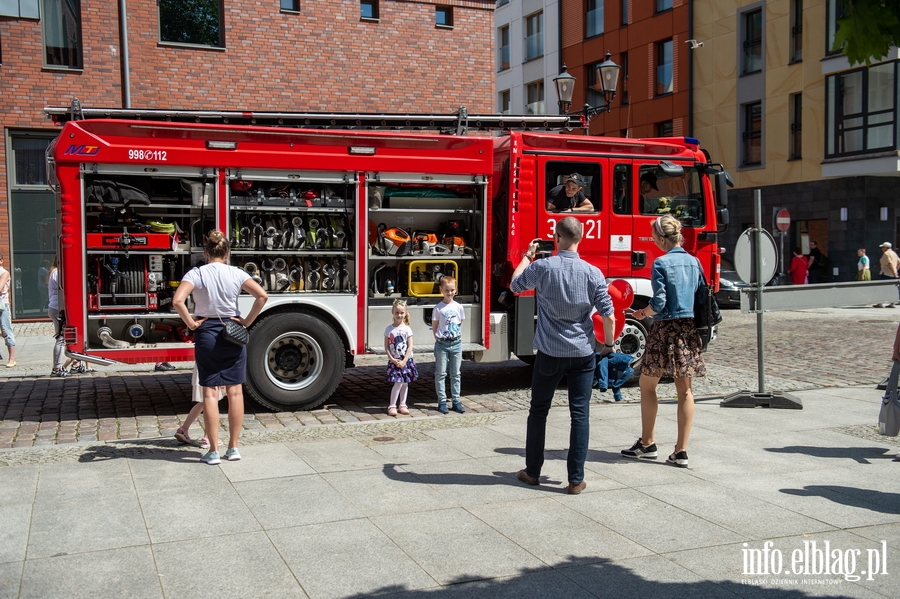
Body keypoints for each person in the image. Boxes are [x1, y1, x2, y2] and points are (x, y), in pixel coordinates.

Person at [510, 217, 615, 494]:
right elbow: (609, 315)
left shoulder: (543, 267)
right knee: (579, 414)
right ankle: (575, 479)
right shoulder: (593, 273)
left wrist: (526, 257)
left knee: (538, 411)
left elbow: (515, 286)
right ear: (581, 238)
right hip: (582, 353)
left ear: (556, 237)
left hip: (550, 352)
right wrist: (609, 345)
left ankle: (533, 472)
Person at [172, 230, 268, 465]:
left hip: (207, 334)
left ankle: (213, 450)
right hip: (233, 333)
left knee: (210, 393)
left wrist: (192, 323)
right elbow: (262, 296)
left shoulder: (197, 273)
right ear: (227, 254)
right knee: (235, 391)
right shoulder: (236, 273)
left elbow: (177, 301)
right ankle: (233, 447)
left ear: (206, 252)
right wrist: (246, 321)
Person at [622, 215, 706, 469]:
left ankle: (647, 443)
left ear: (661, 238)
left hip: (664, 330)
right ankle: (681, 451)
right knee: (686, 391)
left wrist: (641, 314)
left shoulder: (660, 263)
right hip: (688, 329)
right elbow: (702, 294)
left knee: (647, 386)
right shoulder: (694, 262)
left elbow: (658, 303)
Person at [432, 276, 465, 414]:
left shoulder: (459, 307)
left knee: (456, 373)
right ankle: (442, 401)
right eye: (446, 290)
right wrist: (441, 338)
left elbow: (460, 322)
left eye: (452, 290)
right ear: (441, 290)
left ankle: (456, 400)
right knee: (441, 373)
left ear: (456, 290)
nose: (449, 293)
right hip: (442, 345)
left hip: (456, 343)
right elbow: (435, 326)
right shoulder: (438, 308)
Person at [385, 299, 418, 416]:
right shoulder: (389, 329)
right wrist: (392, 359)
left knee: (405, 383)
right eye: (397, 313)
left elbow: (410, 347)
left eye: (402, 313)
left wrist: (404, 361)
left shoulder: (407, 329)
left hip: (406, 361)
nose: (399, 315)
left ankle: (402, 404)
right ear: (392, 312)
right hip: (395, 361)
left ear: (405, 313)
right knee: (398, 383)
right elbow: (387, 347)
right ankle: (392, 405)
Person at [47, 256, 74, 377]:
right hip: (58, 307)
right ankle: (57, 368)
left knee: (62, 338)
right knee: (61, 338)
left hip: (55, 307)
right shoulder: (58, 273)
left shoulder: (53, 271)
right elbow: (67, 286)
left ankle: (63, 366)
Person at [0, 253, 17, 368]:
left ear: (1, 261)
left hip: (2, 305)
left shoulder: (4, 273)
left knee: (6, 330)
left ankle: (12, 358)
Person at [875, 242, 900, 308]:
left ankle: (880, 302)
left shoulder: (886, 254)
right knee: (892, 289)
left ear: (886, 248)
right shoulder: (894, 253)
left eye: (883, 247)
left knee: (882, 288)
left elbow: (890, 263)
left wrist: (894, 272)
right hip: (892, 273)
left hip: (885, 273)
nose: (882, 248)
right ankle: (892, 303)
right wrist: (896, 270)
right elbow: (899, 262)